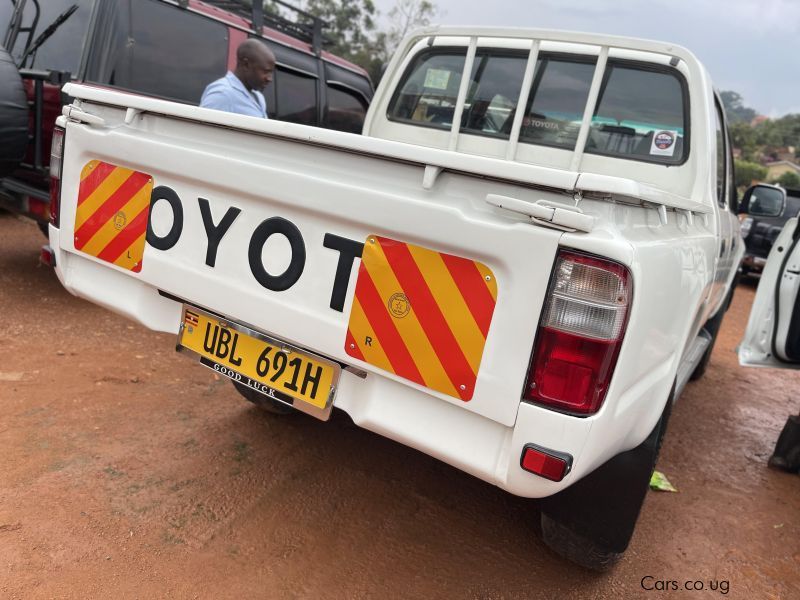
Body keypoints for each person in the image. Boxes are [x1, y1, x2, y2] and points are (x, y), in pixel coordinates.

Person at [200, 39, 276, 118]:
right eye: (266, 71)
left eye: (271, 72)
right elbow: (203, 129)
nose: (270, 79)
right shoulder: (222, 94)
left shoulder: (258, 96)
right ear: (246, 64)